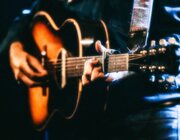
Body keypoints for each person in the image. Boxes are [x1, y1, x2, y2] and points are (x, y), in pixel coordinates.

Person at [0, 0, 180, 140]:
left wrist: (124, 68)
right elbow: (31, 13)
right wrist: (14, 46)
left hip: (144, 117)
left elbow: (175, 48)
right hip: (70, 124)